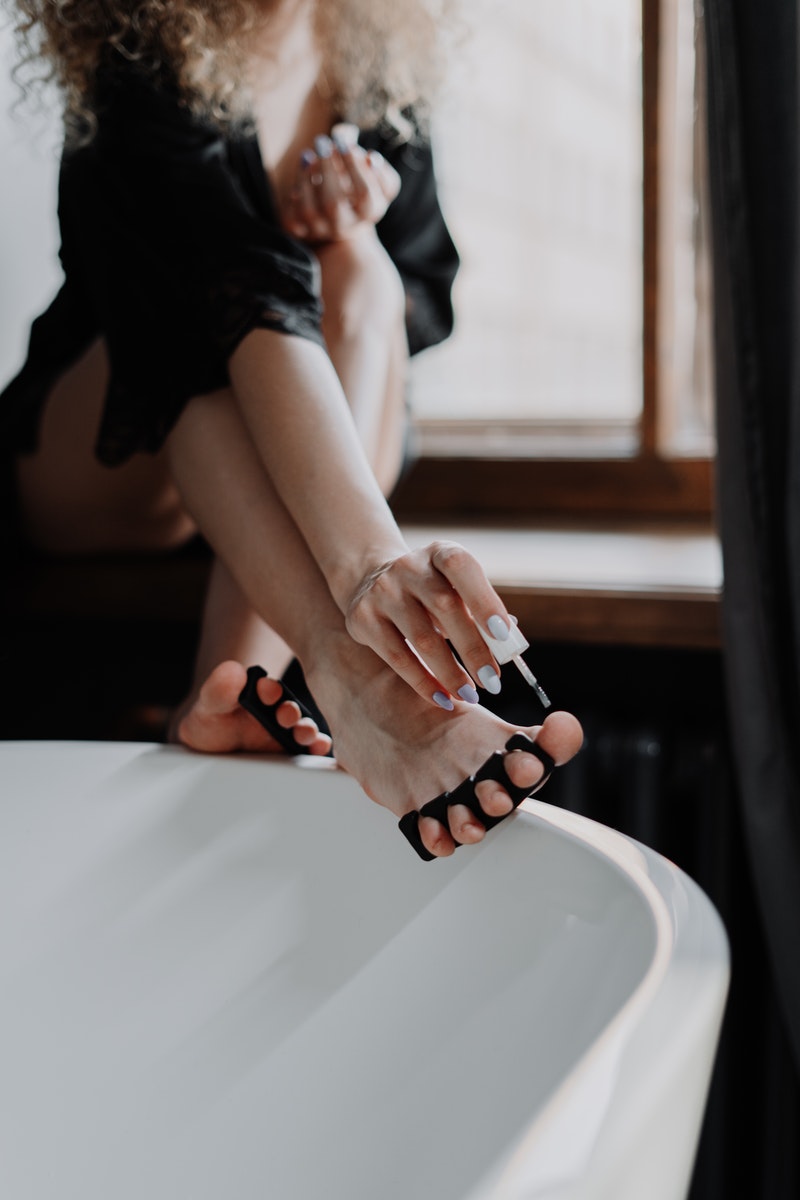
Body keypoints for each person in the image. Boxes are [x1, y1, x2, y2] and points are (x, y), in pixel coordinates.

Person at [1, 0, 583, 859]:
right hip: (109, 445)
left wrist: (354, 230)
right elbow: (222, 284)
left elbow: (427, 297)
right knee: (196, 319)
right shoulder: (140, 44)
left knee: (363, 277)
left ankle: (228, 703)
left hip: (280, 461)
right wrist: (371, 574)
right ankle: (348, 679)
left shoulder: (376, 58)